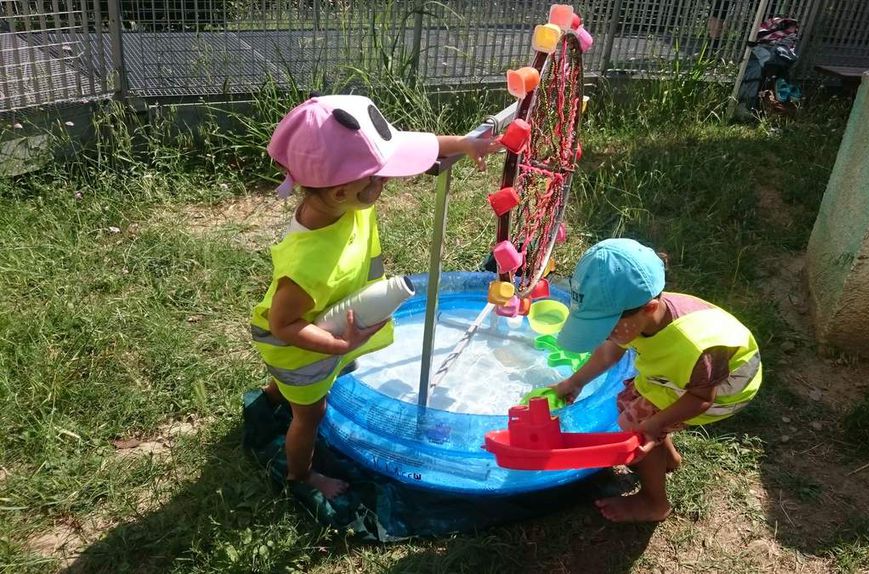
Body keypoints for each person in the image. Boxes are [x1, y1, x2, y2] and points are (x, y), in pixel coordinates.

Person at [251, 94, 502, 498]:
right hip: (297, 346)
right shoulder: (308, 263)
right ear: (340, 193)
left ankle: (275, 394)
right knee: (310, 413)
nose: (387, 177)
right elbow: (284, 324)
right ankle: (300, 476)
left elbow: (412, 145)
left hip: (321, 325)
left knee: (295, 390)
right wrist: (336, 343)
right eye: (379, 175)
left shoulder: (342, 196)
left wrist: (463, 144)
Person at [551, 238, 762, 522]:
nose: (604, 334)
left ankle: (654, 503)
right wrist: (574, 382)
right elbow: (608, 354)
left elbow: (702, 399)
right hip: (686, 375)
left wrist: (655, 426)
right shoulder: (637, 313)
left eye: (608, 327)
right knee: (634, 405)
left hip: (724, 388)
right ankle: (669, 460)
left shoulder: (693, 345)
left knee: (636, 428)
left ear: (649, 308)